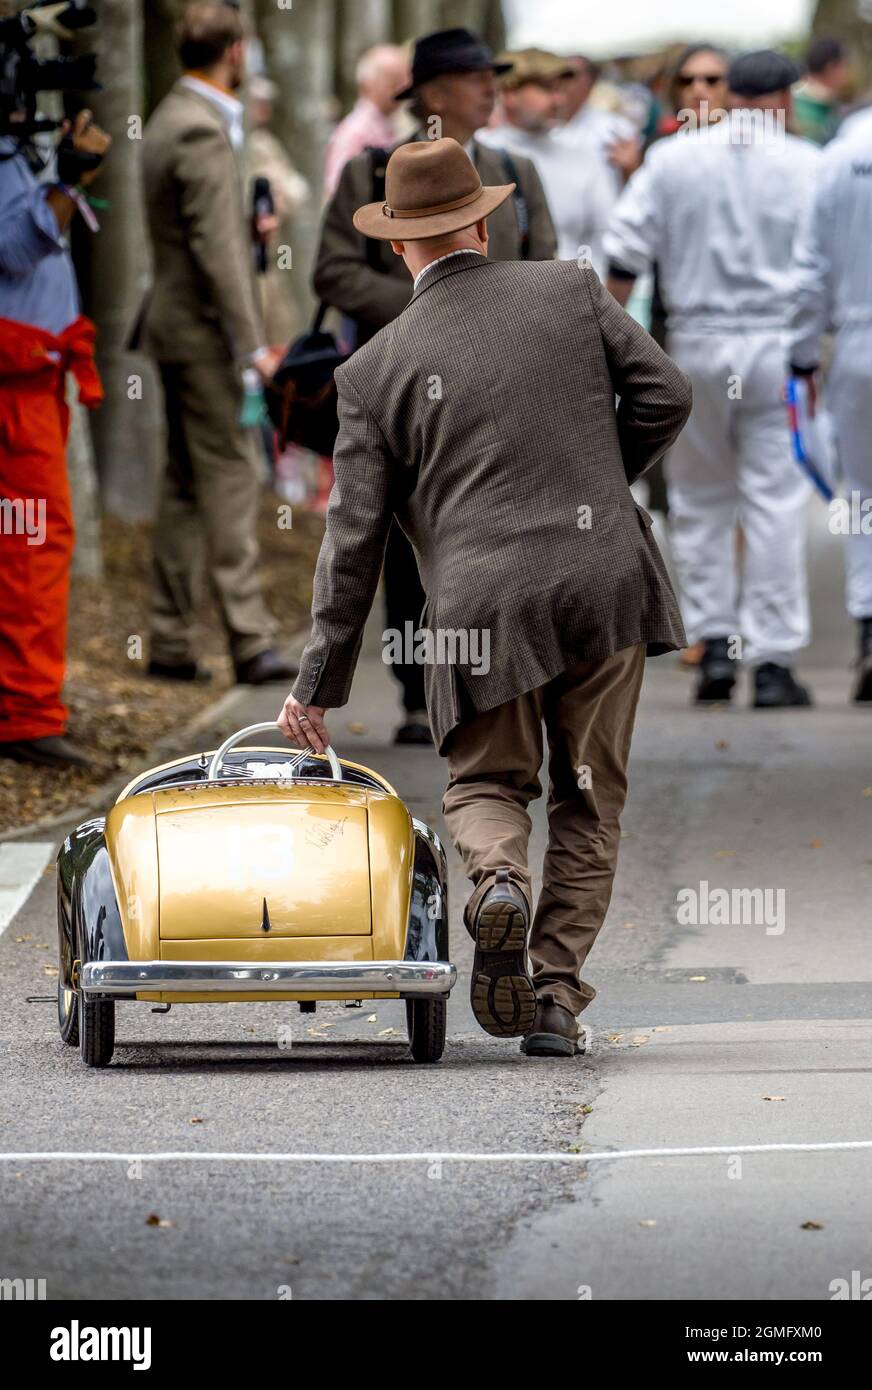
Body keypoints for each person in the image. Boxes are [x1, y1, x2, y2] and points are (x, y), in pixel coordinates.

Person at [279, 137, 691, 1056]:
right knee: (587, 798)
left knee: (485, 781)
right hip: (604, 587)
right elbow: (668, 391)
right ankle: (553, 998)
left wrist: (316, 683)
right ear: (482, 218)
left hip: (476, 614)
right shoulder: (571, 289)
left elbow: (354, 540)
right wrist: (597, 482)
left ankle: (498, 878)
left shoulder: (373, 370)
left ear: (397, 245)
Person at [314, 27, 556, 746]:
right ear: (435, 93)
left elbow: (543, 268)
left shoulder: (515, 171)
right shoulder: (371, 171)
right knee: (407, 542)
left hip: (501, 387)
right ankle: (421, 698)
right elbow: (331, 271)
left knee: (500, 533)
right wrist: (431, 303)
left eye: (494, 77)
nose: (493, 89)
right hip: (406, 386)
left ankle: (496, 684)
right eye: (479, 77)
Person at [604, 50, 821, 708]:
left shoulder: (673, 160)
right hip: (775, 344)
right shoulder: (808, 166)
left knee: (700, 501)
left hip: (695, 340)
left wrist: (609, 352)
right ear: (783, 97)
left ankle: (717, 647)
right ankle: (775, 659)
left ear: (730, 95)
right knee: (774, 500)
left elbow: (621, 257)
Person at [136, 1, 295, 687]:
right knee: (230, 477)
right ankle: (249, 640)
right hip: (202, 331)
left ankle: (170, 638)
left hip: (175, 326)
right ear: (234, 52)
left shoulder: (176, 114)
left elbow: (214, 233)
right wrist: (251, 343)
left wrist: (246, 229)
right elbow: (214, 251)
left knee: (182, 486)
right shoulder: (201, 129)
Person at [0, 103, 111, 771]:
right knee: (30, 542)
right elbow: (15, 249)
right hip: (14, 388)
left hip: (33, 377)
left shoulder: (15, 153)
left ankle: (24, 706)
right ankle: (25, 715)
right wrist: (68, 184)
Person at [788, 104, 872, 702]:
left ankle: (870, 631)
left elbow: (811, 270)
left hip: (858, 343)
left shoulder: (841, 156)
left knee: (862, 495)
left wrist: (801, 358)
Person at [477, 49, 616, 272]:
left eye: (560, 89)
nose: (558, 99)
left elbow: (606, 237)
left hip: (576, 296)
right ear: (510, 93)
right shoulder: (477, 156)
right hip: (504, 297)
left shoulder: (584, 157)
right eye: (546, 88)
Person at [247, 75, 309, 347]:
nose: (264, 109)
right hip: (254, 264)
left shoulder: (264, 142)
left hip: (270, 260)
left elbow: (295, 194)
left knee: (281, 334)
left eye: (266, 102)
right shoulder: (250, 145)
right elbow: (285, 193)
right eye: (258, 102)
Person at [323, 44, 411, 198]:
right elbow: (339, 195)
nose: (404, 87)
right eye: (394, 80)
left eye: (405, 79)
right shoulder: (356, 132)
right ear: (369, 83)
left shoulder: (390, 125)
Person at [793, 37, 853, 146]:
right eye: (845, 65)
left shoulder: (827, 103)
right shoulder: (799, 108)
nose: (846, 74)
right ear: (831, 67)